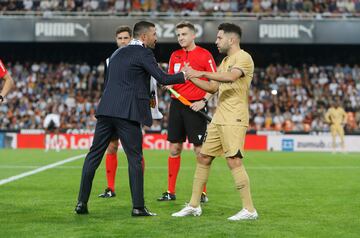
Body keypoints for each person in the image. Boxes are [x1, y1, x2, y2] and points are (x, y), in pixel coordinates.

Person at [75, 21, 186, 216]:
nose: (156, 37)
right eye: (154, 33)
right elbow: (163, 78)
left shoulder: (116, 54)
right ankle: (138, 207)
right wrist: (185, 74)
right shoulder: (144, 53)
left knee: (93, 156)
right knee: (135, 159)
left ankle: (81, 203)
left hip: (106, 110)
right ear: (144, 37)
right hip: (127, 113)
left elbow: (111, 83)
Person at [172, 23, 258, 220]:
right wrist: (191, 76)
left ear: (232, 39)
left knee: (233, 160)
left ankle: (249, 209)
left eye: (219, 38)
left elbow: (230, 77)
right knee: (203, 157)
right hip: (219, 118)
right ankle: (194, 205)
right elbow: (212, 88)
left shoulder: (243, 58)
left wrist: (200, 72)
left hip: (234, 118)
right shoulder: (226, 60)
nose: (216, 41)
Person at [98, 26, 163, 198]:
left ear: (132, 39)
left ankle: (137, 189)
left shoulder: (139, 55)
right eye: (119, 38)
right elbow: (107, 86)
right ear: (116, 40)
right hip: (114, 108)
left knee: (134, 152)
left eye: (126, 38)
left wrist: (151, 107)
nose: (123, 41)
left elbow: (151, 84)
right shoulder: (110, 60)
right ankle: (110, 188)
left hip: (132, 108)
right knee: (111, 147)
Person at [157, 21, 216, 203]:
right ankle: (170, 191)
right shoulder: (175, 55)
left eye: (184, 34)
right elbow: (172, 79)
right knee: (174, 148)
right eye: (178, 35)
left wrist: (203, 101)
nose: (181, 38)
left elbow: (215, 83)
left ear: (193, 35)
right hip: (177, 105)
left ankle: (202, 192)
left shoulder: (205, 55)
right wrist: (168, 83)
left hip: (196, 106)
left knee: (199, 151)